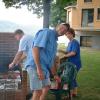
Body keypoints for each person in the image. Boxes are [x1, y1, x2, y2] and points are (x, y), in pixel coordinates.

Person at [26, 23, 70, 100]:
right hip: (35, 66)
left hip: (44, 68)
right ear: (57, 26)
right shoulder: (47, 32)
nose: (63, 30)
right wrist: (39, 69)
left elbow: (51, 61)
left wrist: (55, 75)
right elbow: (35, 48)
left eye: (65, 30)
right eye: (62, 27)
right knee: (38, 90)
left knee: (46, 87)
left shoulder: (55, 43)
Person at [59, 28, 81, 97]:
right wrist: (61, 50)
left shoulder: (75, 42)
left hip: (74, 63)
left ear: (72, 34)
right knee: (72, 78)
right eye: (66, 34)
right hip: (69, 63)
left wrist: (64, 56)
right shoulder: (70, 42)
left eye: (68, 34)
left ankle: (69, 95)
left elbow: (73, 53)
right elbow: (68, 52)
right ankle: (74, 93)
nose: (66, 35)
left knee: (69, 78)